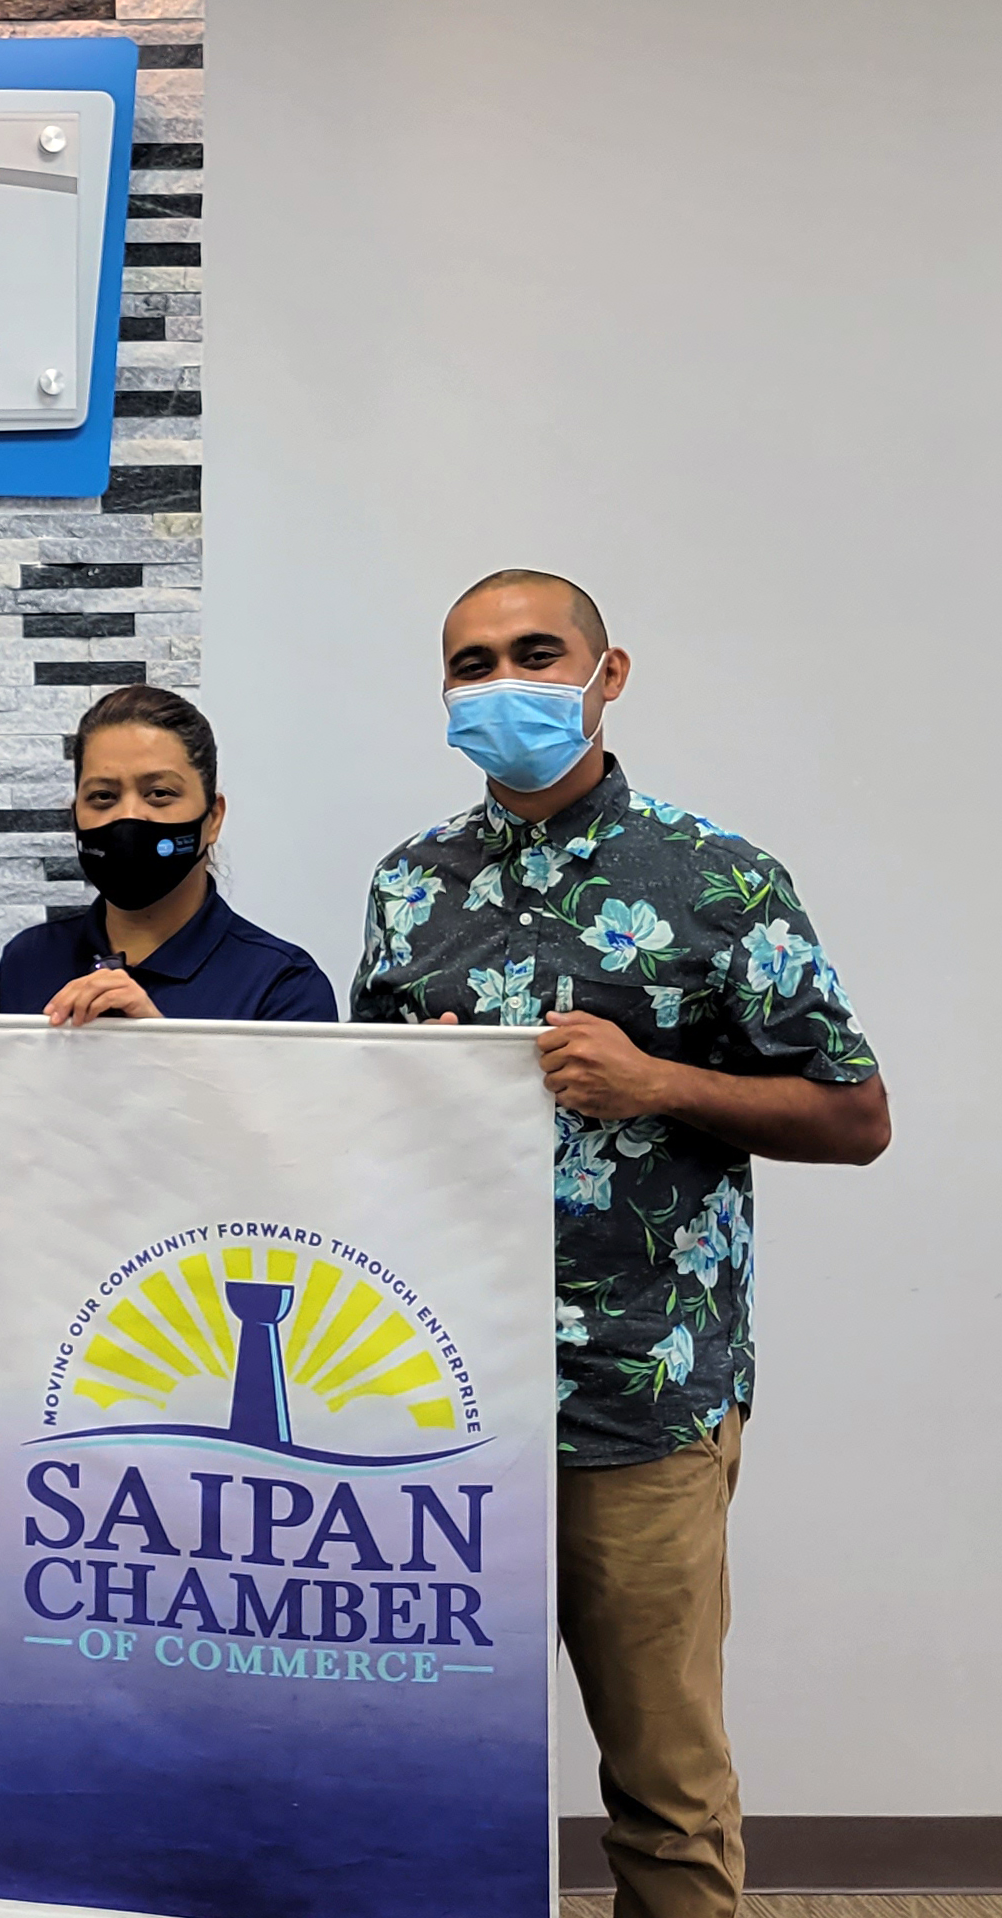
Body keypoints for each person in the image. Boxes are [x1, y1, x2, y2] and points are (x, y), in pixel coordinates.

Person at [351, 569, 890, 1918]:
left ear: (609, 673)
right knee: (426, 1774)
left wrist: (662, 1082)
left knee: (660, 1782)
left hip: (637, 1408)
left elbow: (855, 1113)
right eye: (471, 664)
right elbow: (354, 1116)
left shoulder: (716, 878)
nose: (502, 683)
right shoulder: (408, 888)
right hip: (435, 1401)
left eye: (535, 653)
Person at [0, 684, 334, 1025]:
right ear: (75, 813)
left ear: (213, 818)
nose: (130, 816)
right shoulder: (28, 961)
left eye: (159, 793)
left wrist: (157, 1043)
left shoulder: (282, 986)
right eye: (103, 796)